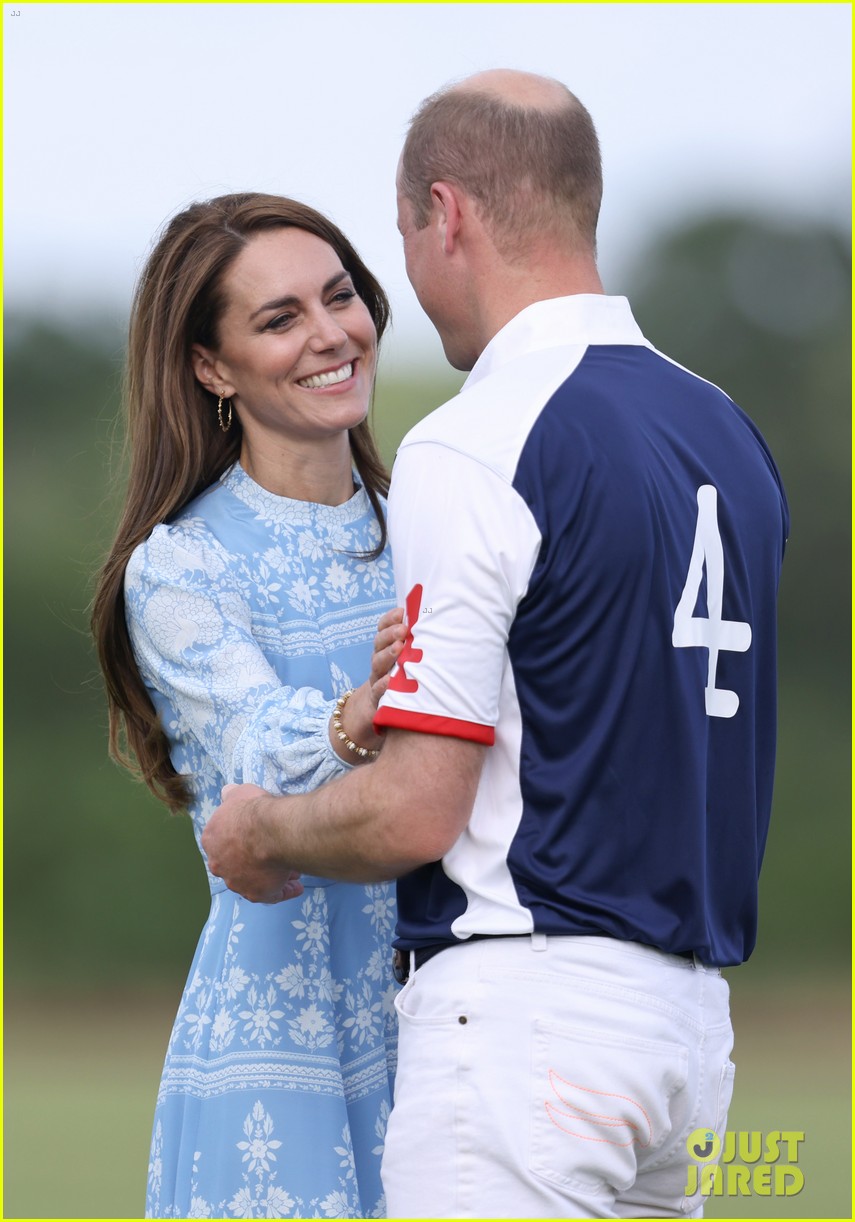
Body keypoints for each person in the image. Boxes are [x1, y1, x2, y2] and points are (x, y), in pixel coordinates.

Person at [201, 72, 790, 1219]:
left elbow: (419, 809)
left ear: (446, 213)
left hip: (530, 1024)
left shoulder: (478, 438)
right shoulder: (728, 430)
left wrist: (259, 830)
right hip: (692, 1041)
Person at [90, 192, 408, 1219]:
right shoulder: (180, 567)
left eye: (339, 297)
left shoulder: (437, 527)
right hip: (275, 1046)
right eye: (279, 318)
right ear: (211, 367)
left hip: (450, 1028)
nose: (329, 334)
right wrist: (370, 708)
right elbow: (258, 749)